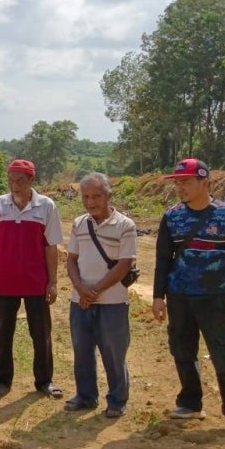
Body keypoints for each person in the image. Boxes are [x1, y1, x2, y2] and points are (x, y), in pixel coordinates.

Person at [152, 158, 225, 442]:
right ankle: (190, 402)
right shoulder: (172, 217)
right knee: (182, 351)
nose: (180, 188)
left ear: (205, 182)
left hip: (216, 300)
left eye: (186, 182)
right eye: (177, 183)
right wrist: (158, 296)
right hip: (180, 298)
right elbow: (163, 259)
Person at [0, 159, 64, 400]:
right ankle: (1, 381)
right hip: (4, 281)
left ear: (31, 180)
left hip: (35, 281)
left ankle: (44, 381)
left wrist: (53, 281)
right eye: (11, 181)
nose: (14, 186)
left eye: (20, 181)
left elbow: (51, 247)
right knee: (2, 333)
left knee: (41, 334)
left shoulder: (46, 207)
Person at [64, 172, 137, 418]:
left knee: (114, 353)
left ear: (109, 196)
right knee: (82, 351)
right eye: (86, 197)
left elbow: (124, 264)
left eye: (96, 196)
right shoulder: (78, 224)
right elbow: (71, 260)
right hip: (80, 301)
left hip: (113, 302)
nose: (91, 202)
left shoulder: (125, 226)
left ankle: (117, 400)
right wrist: (79, 287)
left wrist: (94, 291)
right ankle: (85, 396)